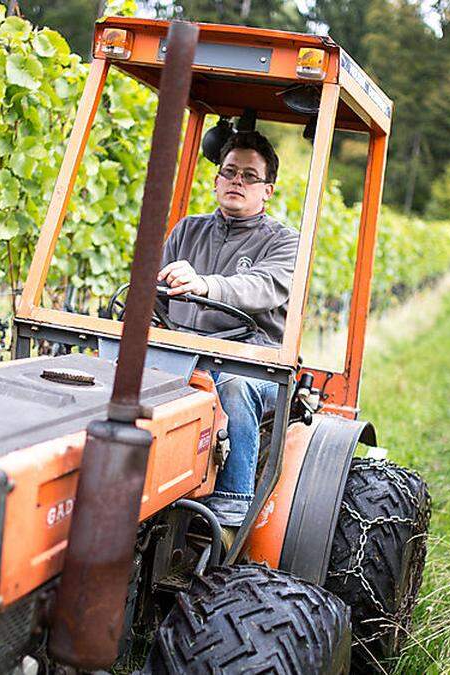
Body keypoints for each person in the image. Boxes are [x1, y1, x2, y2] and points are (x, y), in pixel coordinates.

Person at [157, 131, 298, 536]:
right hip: (183, 353)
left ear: (267, 190)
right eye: (230, 172)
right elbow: (158, 300)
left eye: (249, 176)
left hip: (252, 363)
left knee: (232, 385)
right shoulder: (187, 231)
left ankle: (231, 513)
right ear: (216, 180)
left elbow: (262, 286)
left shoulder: (283, 242)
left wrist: (205, 285)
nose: (237, 181)